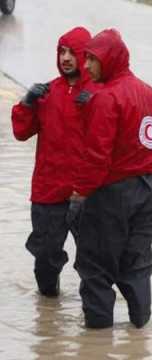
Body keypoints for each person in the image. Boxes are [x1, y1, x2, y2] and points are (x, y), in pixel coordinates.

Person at [69, 28, 152, 329]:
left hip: (113, 195)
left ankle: (97, 342)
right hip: (151, 193)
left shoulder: (106, 98)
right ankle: (140, 334)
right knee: (137, 266)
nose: (85, 66)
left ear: (109, 59)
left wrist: (80, 194)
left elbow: (96, 157)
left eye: (91, 59)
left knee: (95, 268)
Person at [10, 27, 97, 297]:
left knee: (93, 259)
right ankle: (48, 313)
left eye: (73, 52)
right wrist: (27, 102)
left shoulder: (100, 93)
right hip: (48, 191)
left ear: (87, 56)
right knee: (45, 258)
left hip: (87, 194)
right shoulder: (46, 93)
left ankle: (93, 316)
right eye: (62, 52)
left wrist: (95, 105)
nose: (66, 58)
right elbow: (21, 133)